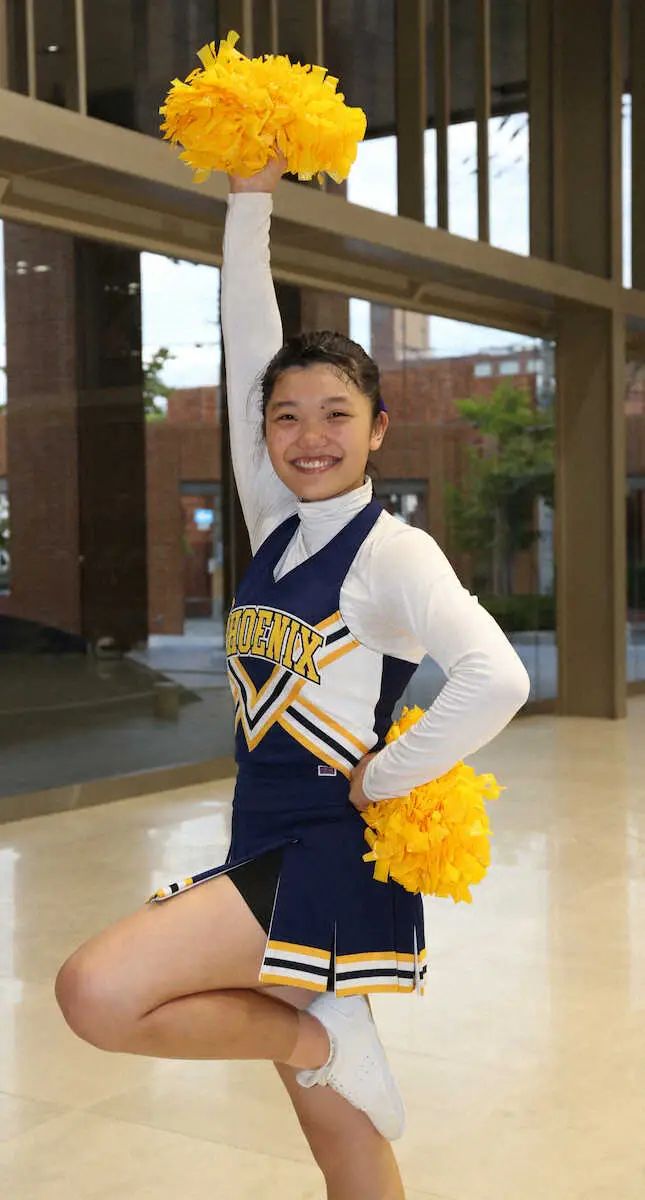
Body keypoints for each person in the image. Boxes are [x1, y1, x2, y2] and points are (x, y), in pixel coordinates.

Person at [55, 155, 530, 1200]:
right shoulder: (274, 523)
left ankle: (319, 1038)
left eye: (336, 413)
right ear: (263, 431)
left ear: (378, 428)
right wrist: (248, 202)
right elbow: (248, 349)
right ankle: (327, 1041)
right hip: (262, 838)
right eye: (285, 417)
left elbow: (496, 677)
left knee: (96, 991)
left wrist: (388, 776)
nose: (309, 436)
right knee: (344, 1146)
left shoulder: (393, 553)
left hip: (324, 853)